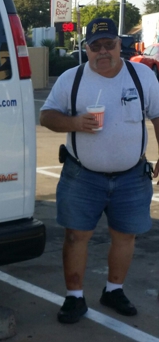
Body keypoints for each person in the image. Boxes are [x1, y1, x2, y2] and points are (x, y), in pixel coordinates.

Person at [40, 17, 159, 323]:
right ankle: (75, 298)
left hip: (132, 175)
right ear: (87, 49)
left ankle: (113, 290)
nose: (103, 52)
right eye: (96, 46)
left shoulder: (142, 76)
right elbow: (47, 116)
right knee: (76, 236)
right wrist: (74, 123)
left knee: (125, 237)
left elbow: (158, 115)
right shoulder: (72, 79)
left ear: (121, 45)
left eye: (110, 44)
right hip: (82, 175)